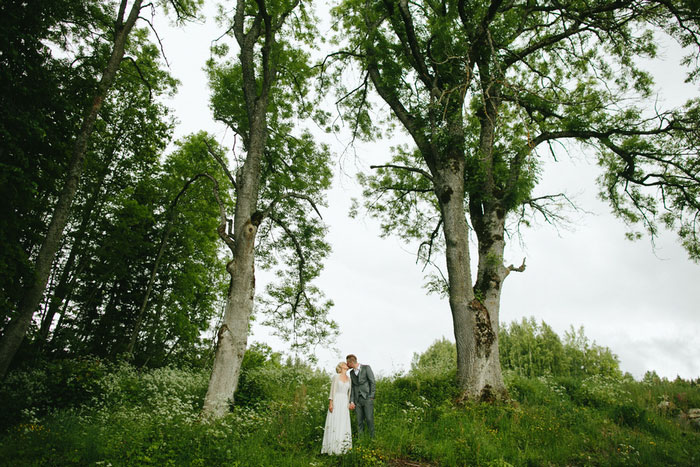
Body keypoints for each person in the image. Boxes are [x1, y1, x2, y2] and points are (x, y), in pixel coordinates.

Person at [321, 361, 353, 455]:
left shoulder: (349, 379)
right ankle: (332, 448)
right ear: (341, 366)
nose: (346, 364)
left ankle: (343, 448)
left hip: (344, 402)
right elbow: (332, 391)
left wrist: (349, 403)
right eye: (344, 363)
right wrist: (331, 403)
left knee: (343, 422)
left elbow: (349, 393)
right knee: (334, 422)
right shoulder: (336, 377)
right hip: (336, 400)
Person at [346, 354, 375, 438]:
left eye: (347, 363)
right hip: (357, 400)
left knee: (369, 419)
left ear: (351, 362)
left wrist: (371, 395)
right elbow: (352, 387)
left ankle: (372, 439)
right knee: (359, 421)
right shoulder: (351, 373)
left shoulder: (366, 368)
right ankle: (361, 441)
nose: (347, 365)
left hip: (367, 398)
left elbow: (372, 381)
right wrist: (352, 401)